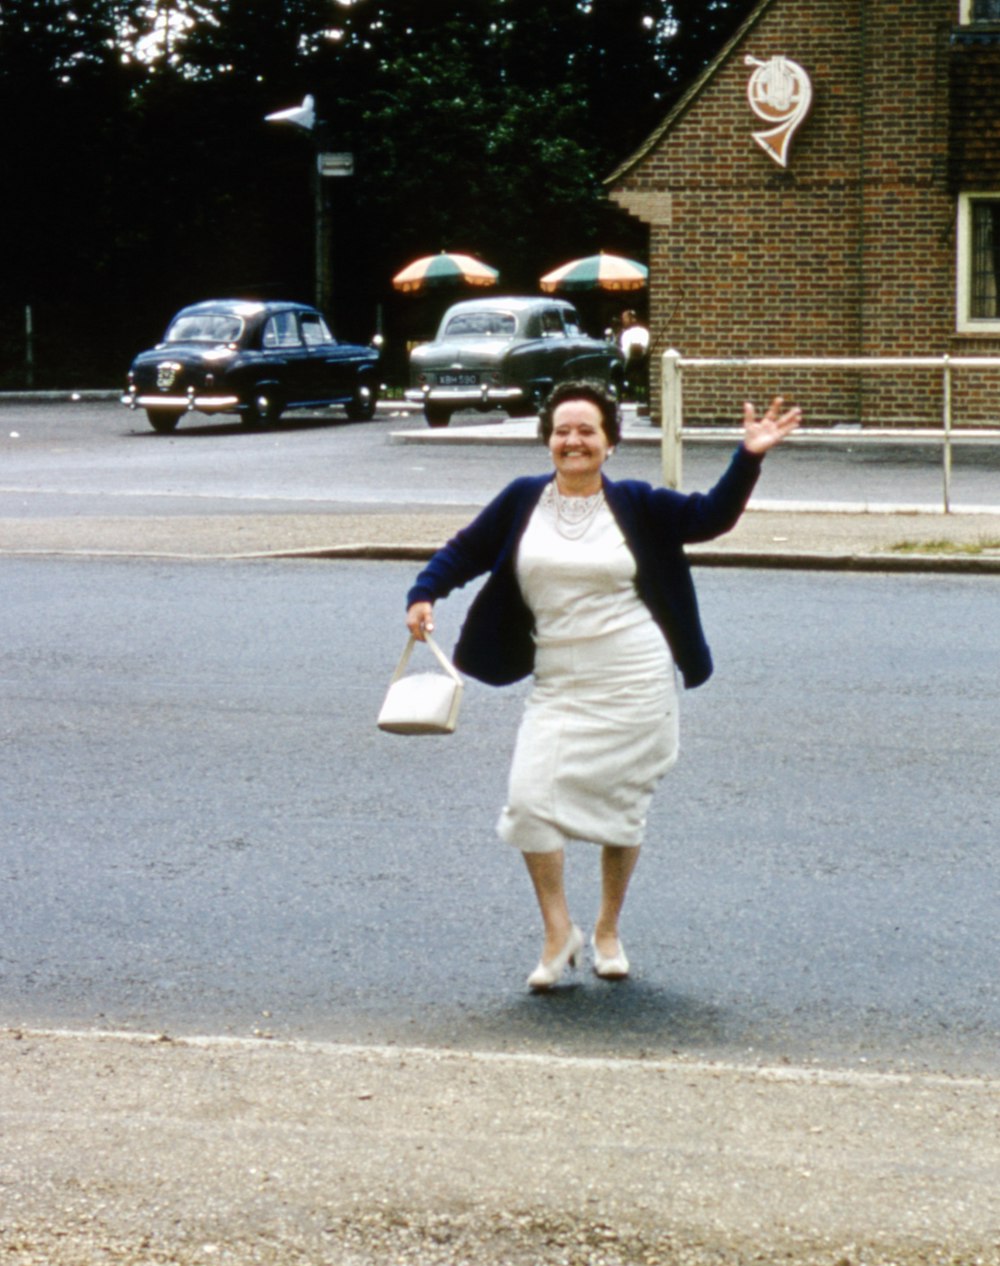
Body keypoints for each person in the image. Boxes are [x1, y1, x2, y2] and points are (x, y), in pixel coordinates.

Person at [405, 380, 801, 992]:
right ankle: (557, 931)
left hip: (634, 677)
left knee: (622, 809)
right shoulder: (521, 501)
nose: (573, 440)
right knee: (529, 801)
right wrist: (424, 591)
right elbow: (465, 550)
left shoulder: (638, 504)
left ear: (610, 443)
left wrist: (750, 456)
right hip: (559, 678)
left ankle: (608, 929)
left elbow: (710, 517)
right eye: (562, 430)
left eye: (587, 430)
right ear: (548, 441)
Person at [618, 309, 649, 403]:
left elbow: (625, 352)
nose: (623, 321)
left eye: (624, 318)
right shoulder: (644, 331)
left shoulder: (627, 334)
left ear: (631, 319)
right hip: (642, 365)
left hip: (632, 366)